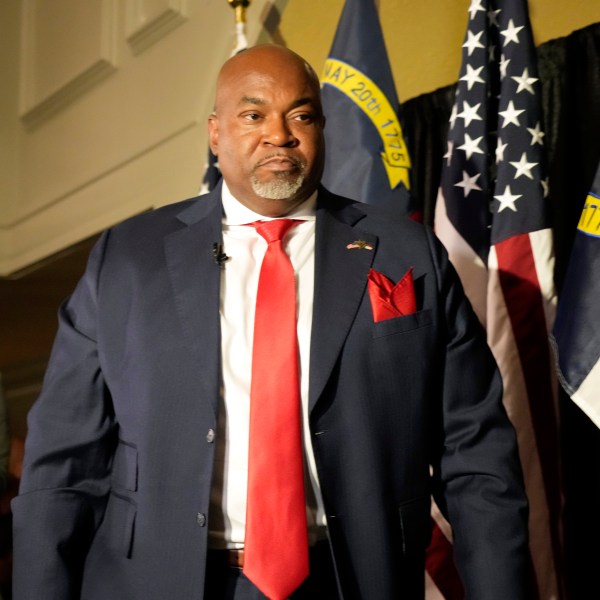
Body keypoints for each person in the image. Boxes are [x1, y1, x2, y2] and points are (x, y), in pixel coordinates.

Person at [12, 44, 530, 599]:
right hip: (162, 581)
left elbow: (475, 455)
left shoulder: (407, 253)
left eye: (301, 115)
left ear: (322, 129)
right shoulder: (126, 259)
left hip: (350, 577)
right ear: (216, 134)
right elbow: (63, 466)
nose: (279, 135)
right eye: (253, 115)